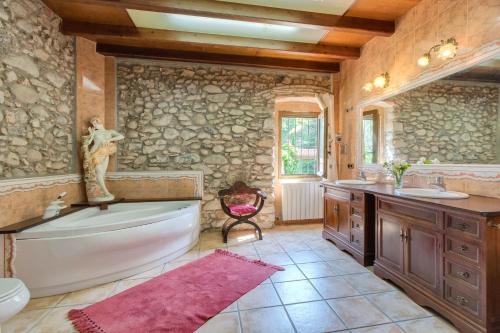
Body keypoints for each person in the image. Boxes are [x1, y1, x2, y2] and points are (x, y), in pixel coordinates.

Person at [82, 117, 124, 202]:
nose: (94, 125)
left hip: (105, 154)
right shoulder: (95, 132)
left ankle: (99, 192)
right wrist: (91, 134)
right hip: (95, 153)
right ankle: (106, 192)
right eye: (92, 124)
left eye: (95, 123)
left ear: (99, 122)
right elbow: (88, 143)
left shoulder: (109, 132)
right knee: (99, 172)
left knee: (101, 174)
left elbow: (121, 136)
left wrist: (110, 139)